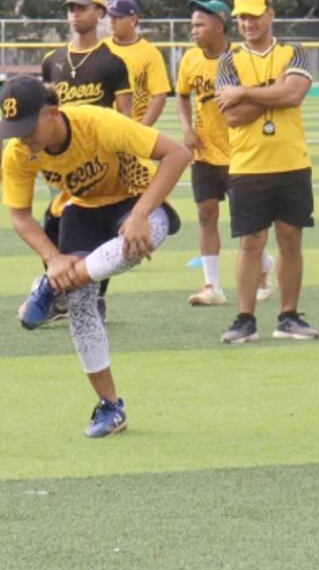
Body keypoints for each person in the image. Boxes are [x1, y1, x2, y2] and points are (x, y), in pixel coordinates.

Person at [1, 75, 191, 437]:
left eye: (28, 127)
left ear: (53, 113)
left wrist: (138, 215)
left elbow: (178, 154)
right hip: (83, 210)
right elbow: (20, 216)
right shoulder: (19, 153)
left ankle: (50, 287)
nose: (22, 137)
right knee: (82, 304)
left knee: (136, 245)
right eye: (14, 129)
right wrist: (54, 259)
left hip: (137, 199)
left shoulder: (99, 123)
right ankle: (110, 407)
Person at [22, 0, 132, 326]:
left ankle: (94, 298)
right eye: (71, 8)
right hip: (59, 161)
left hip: (98, 164)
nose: (75, 14)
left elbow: (124, 116)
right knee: (55, 227)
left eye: (82, 7)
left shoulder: (112, 62)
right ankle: (64, 293)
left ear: (100, 12)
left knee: (99, 234)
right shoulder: (51, 61)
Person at [215, 0, 318, 343]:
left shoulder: (294, 51)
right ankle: (245, 318)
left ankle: (288, 315)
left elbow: (294, 94)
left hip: (291, 161)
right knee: (250, 243)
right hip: (247, 165)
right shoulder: (228, 61)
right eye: (242, 17)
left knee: (291, 240)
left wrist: (245, 91)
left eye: (255, 15)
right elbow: (233, 117)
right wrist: (271, 91)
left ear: (270, 14)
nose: (248, 23)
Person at [176, 0, 275, 307]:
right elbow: (181, 96)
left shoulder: (241, 59)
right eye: (192, 25)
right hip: (205, 153)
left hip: (241, 153)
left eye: (200, 25)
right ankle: (212, 286)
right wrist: (187, 129)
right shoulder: (190, 59)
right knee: (206, 214)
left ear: (219, 26)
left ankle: (264, 270)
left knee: (246, 220)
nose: (193, 31)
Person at [105, 0, 171, 125]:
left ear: (133, 20)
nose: (112, 21)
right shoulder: (102, 48)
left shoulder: (150, 53)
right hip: (105, 128)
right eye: (111, 17)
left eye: (118, 17)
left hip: (135, 124)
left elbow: (159, 97)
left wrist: (140, 131)